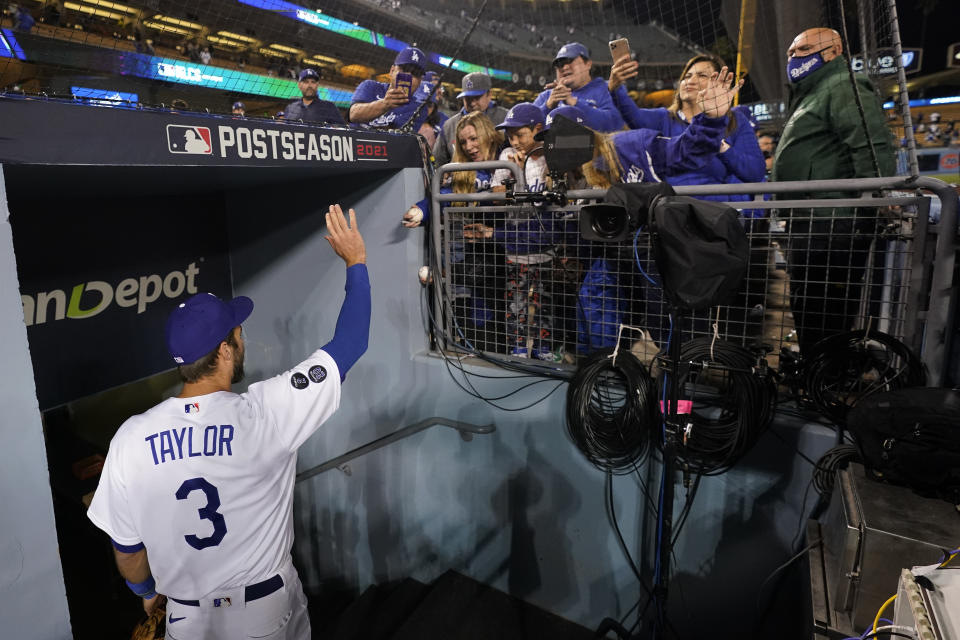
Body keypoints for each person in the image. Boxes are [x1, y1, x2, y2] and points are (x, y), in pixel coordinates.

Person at [86, 204, 369, 640]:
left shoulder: (130, 437)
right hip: (262, 613)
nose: (242, 338)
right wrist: (356, 263)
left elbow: (127, 550)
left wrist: (144, 591)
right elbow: (352, 341)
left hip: (186, 620)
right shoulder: (264, 412)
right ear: (223, 351)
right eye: (237, 334)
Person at [772, 27, 895, 353]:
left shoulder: (842, 86)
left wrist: (880, 194)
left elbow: (870, 144)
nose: (793, 57)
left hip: (832, 218)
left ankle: (827, 376)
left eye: (803, 49)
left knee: (825, 306)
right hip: (813, 218)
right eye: (791, 52)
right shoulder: (815, 90)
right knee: (812, 303)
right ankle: (819, 371)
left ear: (833, 51)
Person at [607, 54, 765, 201]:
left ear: (719, 84)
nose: (691, 80)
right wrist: (616, 87)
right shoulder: (663, 118)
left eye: (702, 75)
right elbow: (632, 115)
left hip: (717, 214)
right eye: (687, 76)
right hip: (670, 212)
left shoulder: (735, 120)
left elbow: (755, 173)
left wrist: (721, 146)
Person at [533, 42, 625, 134]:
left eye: (570, 61)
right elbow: (527, 131)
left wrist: (575, 103)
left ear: (588, 64)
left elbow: (615, 124)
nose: (564, 67)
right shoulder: (546, 97)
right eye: (560, 64)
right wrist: (547, 107)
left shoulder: (609, 89)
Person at [432, 72, 509, 168]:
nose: (472, 103)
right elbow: (438, 160)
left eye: (476, 98)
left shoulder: (505, 117)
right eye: (467, 98)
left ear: (489, 95)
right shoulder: (450, 125)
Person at [348, 46, 429, 130]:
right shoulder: (370, 86)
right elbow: (353, 115)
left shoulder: (419, 108)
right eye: (404, 69)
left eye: (415, 73)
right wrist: (385, 104)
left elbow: (399, 138)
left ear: (420, 81)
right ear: (392, 70)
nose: (408, 76)